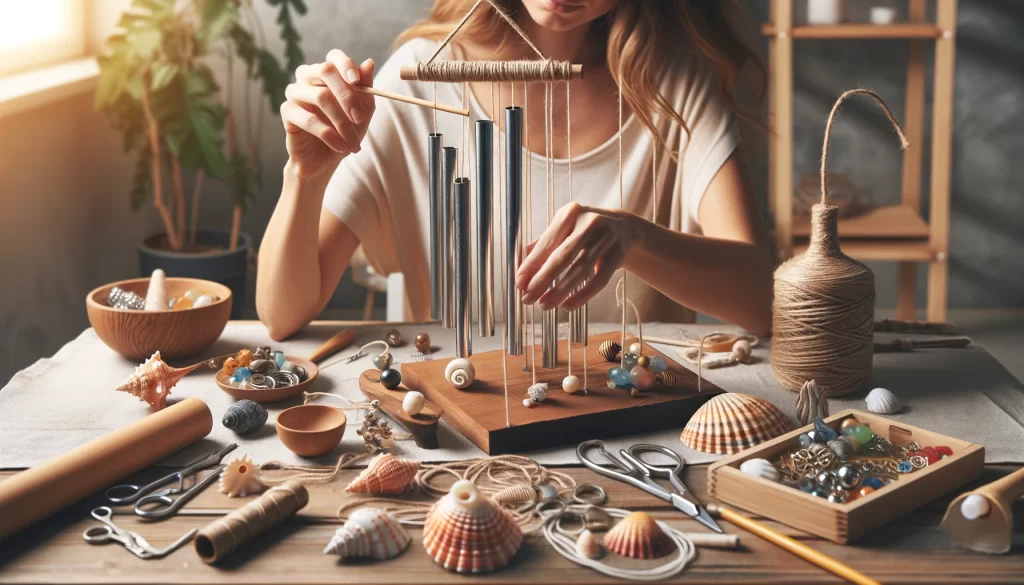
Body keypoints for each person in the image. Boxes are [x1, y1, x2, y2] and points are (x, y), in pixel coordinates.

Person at [257, 0, 773, 341]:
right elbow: (281, 315)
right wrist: (305, 174)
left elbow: (762, 303)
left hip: (629, 420)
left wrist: (634, 240)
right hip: (457, 422)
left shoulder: (673, 88)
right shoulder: (420, 80)